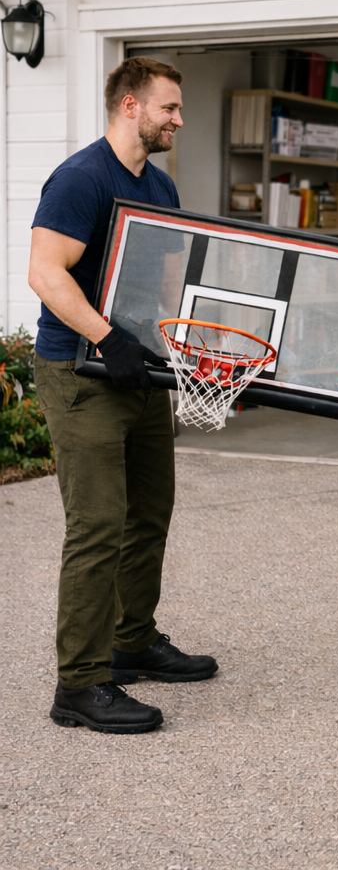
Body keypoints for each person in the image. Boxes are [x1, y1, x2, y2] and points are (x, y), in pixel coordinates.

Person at [30, 56, 218, 735]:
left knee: (149, 513)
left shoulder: (160, 187)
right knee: (98, 526)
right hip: (82, 372)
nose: (179, 119)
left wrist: (181, 349)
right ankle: (79, 685)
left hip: (140, 370)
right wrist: (108, 338)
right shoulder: (81, 179)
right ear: (130, 106)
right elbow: (45, 274)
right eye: (170, 107)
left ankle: (131, 641)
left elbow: (166, 280)